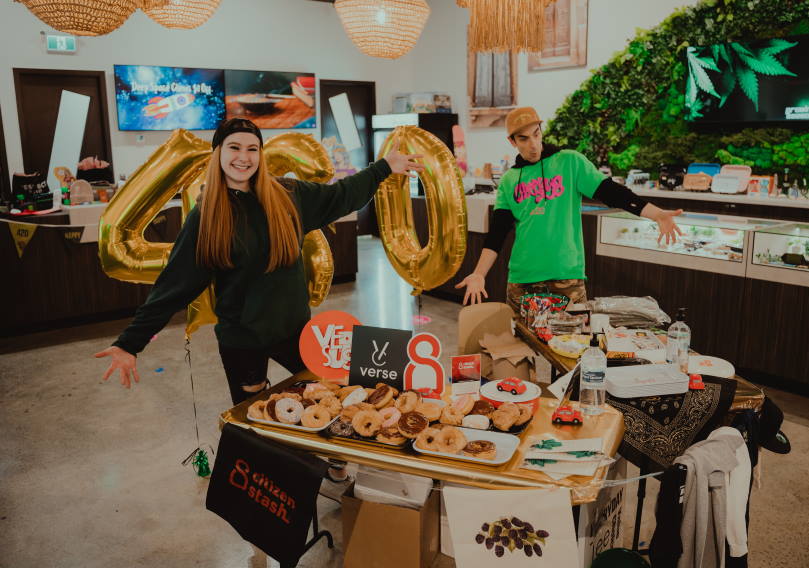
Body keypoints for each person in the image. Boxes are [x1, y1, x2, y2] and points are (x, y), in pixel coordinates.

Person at [95, 117, 424, 406]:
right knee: (256, 417)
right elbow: (174, 286)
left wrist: (383, 167)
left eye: (252, 149)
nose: (243, 157)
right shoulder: (207, 216)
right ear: (218, 154)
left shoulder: (289, 196)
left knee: (325, 397)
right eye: (234, 147)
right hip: (242, 340)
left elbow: (341, 195)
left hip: (295, 331)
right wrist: (129, 343)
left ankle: (332, 467)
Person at [455, 107, 683, 308]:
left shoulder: (570, 162)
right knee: (521, 351)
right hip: (522, 280)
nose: (533, 145)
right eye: (524, 139)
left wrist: (656, 213)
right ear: (512, 142)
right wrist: (478, 274)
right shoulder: (509, 180)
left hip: (566, 278)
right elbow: (497, 234)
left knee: (572, 349)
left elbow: (613, 194)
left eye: (536, 134)